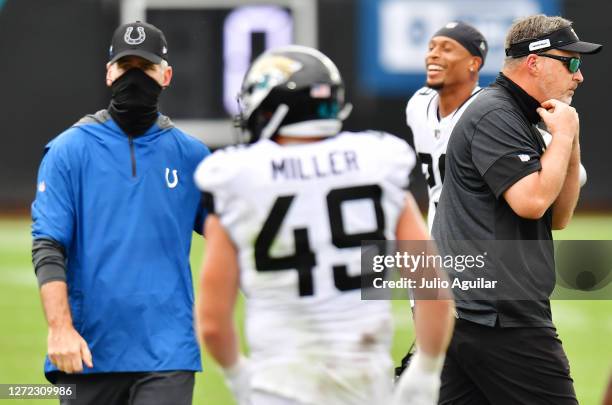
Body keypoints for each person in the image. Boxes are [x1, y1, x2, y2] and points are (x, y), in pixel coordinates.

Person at [194, 45, 455, 405]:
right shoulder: (378, 160)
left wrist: (239, 376)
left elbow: (211, 321)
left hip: (281, 386)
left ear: (273, 107)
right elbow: (430, 285)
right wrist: (426, 368)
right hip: (363, 385)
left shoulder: (238, 175)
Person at [31, 21, 210, 405]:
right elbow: (48, 247)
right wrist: (59, 329)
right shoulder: (68, 151)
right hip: (87, 353)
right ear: (110, 72)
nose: (134, 78)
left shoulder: (193, 156)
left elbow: (240, 236)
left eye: (143, 68)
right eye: (125, 67)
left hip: (168, 354)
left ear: (166, 75)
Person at [431, 15, 602, 404]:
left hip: (473, 310)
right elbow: (532, 202)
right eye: (571, 62)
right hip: (498, 314)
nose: (579, 76)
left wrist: (569, 142)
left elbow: (558, 217)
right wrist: (563, 135)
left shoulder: (523, 115)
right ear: (535, 62)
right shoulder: (496, 113)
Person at [406, 21, 488, 230]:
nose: (433, 54)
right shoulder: (418, 104)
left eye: (447, 49)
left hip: (482, 246)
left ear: (474, 63)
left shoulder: (488, 111)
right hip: (438, 242)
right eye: (431, 47)